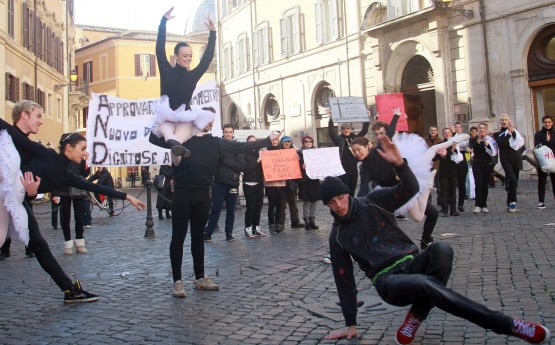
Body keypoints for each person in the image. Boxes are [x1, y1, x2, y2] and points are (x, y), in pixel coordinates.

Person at [321, 134, 551, 345]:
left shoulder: (374, 200)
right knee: (424, 284)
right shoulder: (338, 236)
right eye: (332, 202)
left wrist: (400, 165)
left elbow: (410, 189)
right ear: (327, 205)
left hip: (412, 261)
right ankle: (507, 325)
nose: (339, 205)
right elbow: (344, 280)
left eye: (341, 198)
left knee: (442, 249)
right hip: (388, 280)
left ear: (348, 194)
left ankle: (416, 315)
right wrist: (350, 323)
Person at [0, 100, 145, 303]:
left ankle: (70, 290)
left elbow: (92, 186)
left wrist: (127, 196)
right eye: (38, 116)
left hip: (15, 202)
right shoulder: (30, 146)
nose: (42, 121)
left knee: (40, 245)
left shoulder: (63, 173)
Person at [168, 120, 282, 298]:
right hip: (183, 193)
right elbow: (170, 154)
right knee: (178, 237)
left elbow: (242, 146)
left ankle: (199, 277)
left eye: (211, 121)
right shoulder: (184, 139)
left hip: (203, 193)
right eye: (207, 120)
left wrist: (267, 140)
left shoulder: (215, 142)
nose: (210, 124)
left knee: (198, 237)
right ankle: (177, 281)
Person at [150, 7, 217, 165]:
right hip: (167, 117)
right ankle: (174, 145)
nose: (188, 58)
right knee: (166, 130)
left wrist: (213, 34)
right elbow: (159, 49)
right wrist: (163, 22)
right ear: (177, 57)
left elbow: (207, 59)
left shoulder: (193, 75)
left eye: (190, 56)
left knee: (177, 148)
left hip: (184, 118)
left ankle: (176, 161)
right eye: (185, 55)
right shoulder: (167, 70)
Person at [203, 124, 245, 242]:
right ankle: (208, 232)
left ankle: (229, 233)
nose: (228, 134)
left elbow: (241, 166)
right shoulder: (218, 146)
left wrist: (225, 160)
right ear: (223, 133)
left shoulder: (238, 148)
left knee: (231, 210)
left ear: (233, 133)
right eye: (226, 132)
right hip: (219, 182)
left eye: (230, 132)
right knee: (216, 208)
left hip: (232, 183)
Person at [328, 116, 369, 196]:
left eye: (347, 128)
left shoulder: (355, 138)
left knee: (352, 189)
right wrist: (331, 120)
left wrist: (366, 118)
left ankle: (352, 206)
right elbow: (331, 133)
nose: (346, 130)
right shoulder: (339, 139)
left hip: (353, 167)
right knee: (345, 189)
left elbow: (364, 131)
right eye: (343, 128)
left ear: (350, 129)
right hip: (343, 167)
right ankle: (346, 205)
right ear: (341, 130)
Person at [493, 114, 525, 212]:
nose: (504, 121)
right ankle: (512, 202)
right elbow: (501, 143)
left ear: (509, 121)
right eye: (502, 120)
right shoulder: (497, 134)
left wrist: (513, 132)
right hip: (505, 158)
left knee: (515, 181)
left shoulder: (514, 131)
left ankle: (510, 203)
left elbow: (521, 143)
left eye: (506, 120)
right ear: (500, 122)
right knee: (512, 179)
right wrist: (509, 134)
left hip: (516, 157)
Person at [59, 160, 90, 254]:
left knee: (79, 217)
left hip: (77, 188)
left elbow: (85, 174)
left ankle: (80, 243)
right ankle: (68, 245)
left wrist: (87, 162)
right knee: (66, 218)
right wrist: (55, 193)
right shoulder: (61, 159)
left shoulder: (80, 159)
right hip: (64, 190)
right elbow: (56, 176)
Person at [468, 123, 498, 214]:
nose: (481, 129)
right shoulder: (473, 139)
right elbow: (472, 150)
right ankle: (477, 205)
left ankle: (484, 205)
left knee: (485, 184)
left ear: (486, 129)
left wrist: (487, 144)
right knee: (478, 184)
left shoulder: (490, 139)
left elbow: (493, 152)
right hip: (477, 163)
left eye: (483, 128)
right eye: (480, 128)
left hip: (486, 164)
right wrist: (478, 141)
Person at [242, 135, 266, 238]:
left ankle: (256, 227)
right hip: (249, 183)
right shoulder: (243, 154)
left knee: (258, 207)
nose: (253, 144)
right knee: (250, 207)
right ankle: (247, 228)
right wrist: (258, 160)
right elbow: (246, 169)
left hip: (259, 183)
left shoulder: (260, 153)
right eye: (250, 142)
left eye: (254, 142)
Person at [435, 128, 462, 217]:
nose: (447, 134)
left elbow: (457, 158)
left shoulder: (455, 144)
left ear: (451, 134)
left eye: (448, 133)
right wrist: (440, 154)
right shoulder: (440, 144)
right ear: (443, 134)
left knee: (453, 191)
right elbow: (434, 158)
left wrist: (453, 151)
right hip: (443, 171)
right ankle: (444, 210)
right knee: (444, 191)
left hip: (453, 170)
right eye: (445, 133)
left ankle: (453, 210)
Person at [279, 136, 305, 229]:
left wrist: (299, 159)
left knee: (293, 204)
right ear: (281, 143)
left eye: (288, 142)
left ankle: (295, 222)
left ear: (291, 143)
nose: (286, 143)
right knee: (281, 205)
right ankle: (280, 223)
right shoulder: (277, 152)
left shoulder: (296, 152)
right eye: (285, 142)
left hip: (293, 182)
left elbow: (303, 165)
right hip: (281, 182)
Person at [263, 138, 287, 235]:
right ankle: (271, 225)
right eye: (273, 140)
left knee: (280, 204)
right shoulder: (266, 151)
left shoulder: (283, 152)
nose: (274, 141)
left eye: (276, 140)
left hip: (281, 182)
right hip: (270, 183)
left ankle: (278, 224)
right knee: (272, 205)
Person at [298, 135, 321, 230]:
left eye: (310, 141)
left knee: (313, 201)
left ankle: (312, 220)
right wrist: (301, 166)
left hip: (314, 179)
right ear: (303, 143)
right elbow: (295, 166)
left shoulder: (316, 152)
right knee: (306, 202)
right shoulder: (299, 153)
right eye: (306, 141)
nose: (308, 143)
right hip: (305, 180)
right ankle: (306, 221)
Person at [534, 115, 555, 209]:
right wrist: (546, 141)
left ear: (552, 123)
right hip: (542, 161)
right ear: (543, 123)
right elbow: (537, 146)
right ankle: (541, 201)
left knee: (554, 181)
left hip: (553, 161)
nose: (547, 124)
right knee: (542, 181)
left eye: (549, 122)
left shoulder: (554, 133)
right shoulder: (538, 134)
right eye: (545, 122)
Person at [454, 122, 469, 212]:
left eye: (459, 127)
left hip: (462, 160)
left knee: (461, 184)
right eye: (456, 127)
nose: (458, 129)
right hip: (453, 161)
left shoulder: (465, 137)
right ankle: (451, 203)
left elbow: (464, 145)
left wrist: (456, 141)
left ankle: (460, 204)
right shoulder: (452, 136)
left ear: (461, 129)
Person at [424, 126, 442, 206]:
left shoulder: (440, 141)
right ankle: (428, 201)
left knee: (438, 184)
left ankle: (440, 200)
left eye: (434, 130)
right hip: (427, 165)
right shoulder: (424, 140)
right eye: (431, 130)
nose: (433, 131)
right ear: (429, 131)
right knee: (427, 185)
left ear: (437, 132)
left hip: (437, 165)